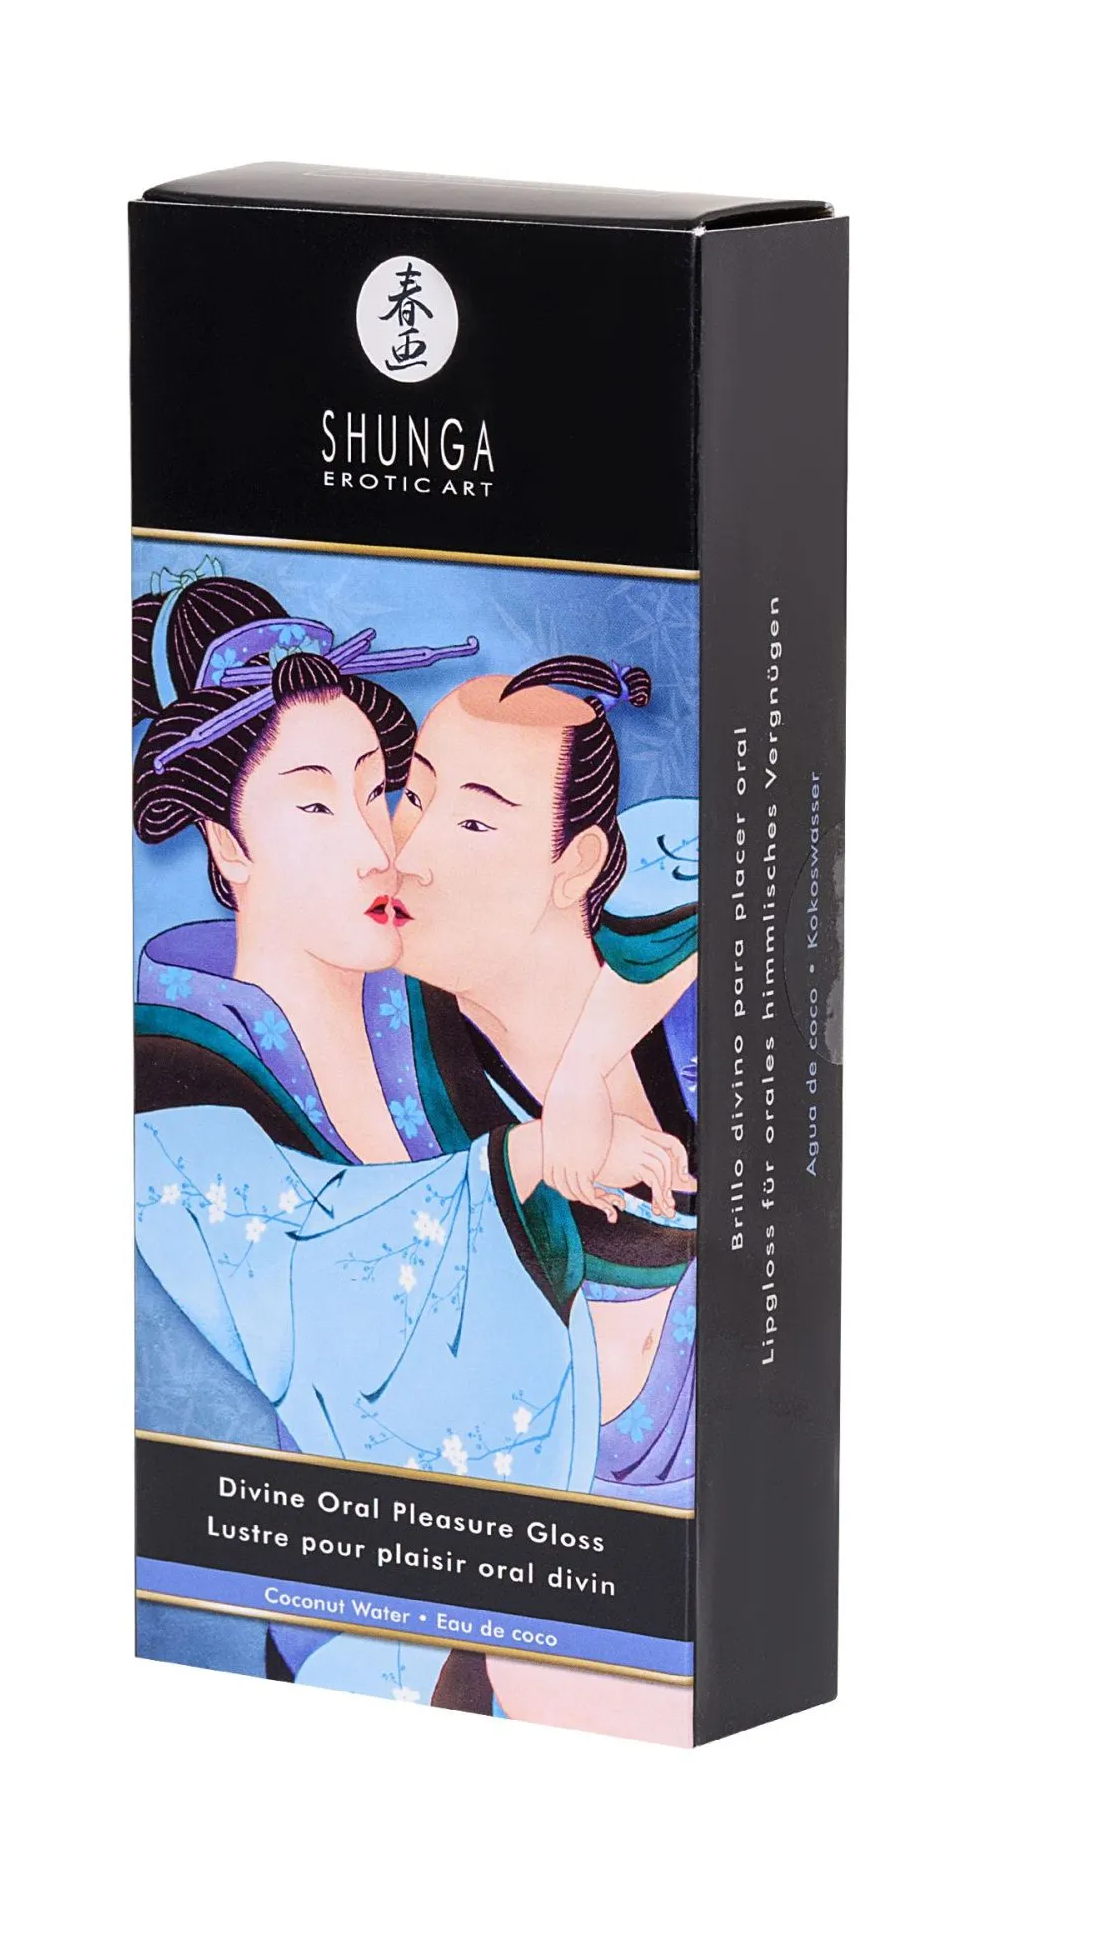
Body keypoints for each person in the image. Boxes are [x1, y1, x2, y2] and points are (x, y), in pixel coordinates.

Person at [131, 574, 691, 1713]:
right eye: (314, 806)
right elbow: (309, 1292)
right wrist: (526, 1162)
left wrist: (584, 1070)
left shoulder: (429, 1007)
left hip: (565, 1550)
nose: (377, 841)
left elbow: (673, 894)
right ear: (226, 847)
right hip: (366, 1606)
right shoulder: (175, 1065)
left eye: (378, 790)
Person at [391, 656, 699, 1737]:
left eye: (474, 820)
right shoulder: (382, 1051)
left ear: (578, 864)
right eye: (412, 794)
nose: (409, 849)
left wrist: (580, 1076)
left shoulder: (669, 1006)